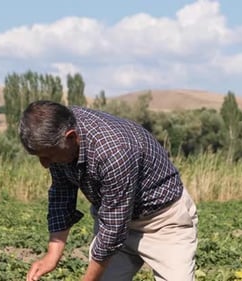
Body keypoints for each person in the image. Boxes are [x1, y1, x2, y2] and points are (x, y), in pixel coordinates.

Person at [19, 100, 198, 281]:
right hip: (111, 220)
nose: (45, 164)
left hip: (163, 223)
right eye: (40, 157)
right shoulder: (58, 134)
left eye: (48, 156)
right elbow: (62, 193)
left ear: (71, 137)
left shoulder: (114, 150)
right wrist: (52, 254)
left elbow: (114, 230)